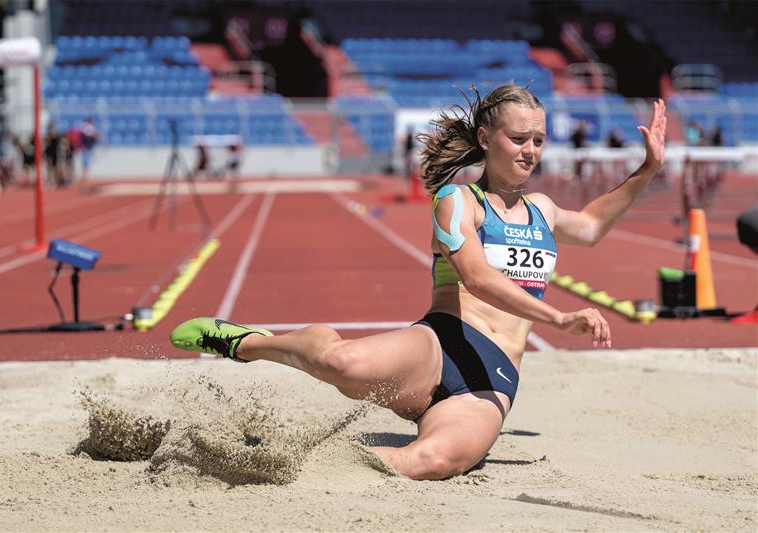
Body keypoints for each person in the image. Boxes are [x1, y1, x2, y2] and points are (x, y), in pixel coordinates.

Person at [169, 84, 667, 480]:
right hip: (440, 343)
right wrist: (558, 316)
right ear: (485, 139)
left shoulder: (544, 210)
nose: (530, 150)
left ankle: (302, 475)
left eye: (538, 140)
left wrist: (647, 169)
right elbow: (476, 276)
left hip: (489, 381)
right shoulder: (457, 201)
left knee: (432, 462)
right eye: (518, 139)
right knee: (339, 361)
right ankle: (250, 342)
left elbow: (594, 226)